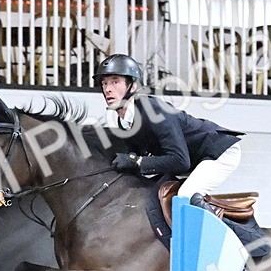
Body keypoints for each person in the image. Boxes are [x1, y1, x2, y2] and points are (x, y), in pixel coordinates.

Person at [94, 54, 243, 201]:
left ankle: (212, 225)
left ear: (132, 86)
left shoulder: (155, 111)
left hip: (218, 151)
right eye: (104, 83)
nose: (108, 89)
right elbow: (136, 156)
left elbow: (180, 161)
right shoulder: (125, 121)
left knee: (186, 194)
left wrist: (137, 162)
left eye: (115, 82)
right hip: (194, 158)